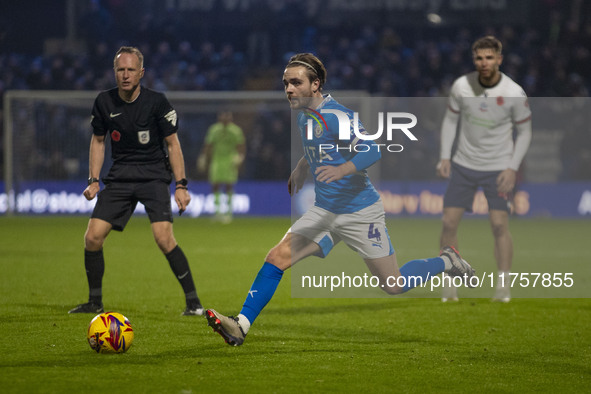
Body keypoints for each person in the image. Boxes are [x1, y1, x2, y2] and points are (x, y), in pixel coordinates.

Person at [205, 53, 476, 346]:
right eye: (286, 83)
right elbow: (317, 148)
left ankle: (447, 261)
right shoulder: (304, 115)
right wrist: (300, 168)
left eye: (296, 83)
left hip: (360, 211)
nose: (289, 89)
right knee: (277, 257)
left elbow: (372, 150)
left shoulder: (337, 116)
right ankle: (240, 325)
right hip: (325, 211)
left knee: (394, 284)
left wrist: (343, 168)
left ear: (316, 84)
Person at [69, 46, 203, 316]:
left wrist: (181, 185)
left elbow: (173, 144)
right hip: (120, 177)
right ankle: (95, 302)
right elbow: (97, 141)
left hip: (153, 176)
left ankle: (194, 304)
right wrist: (94, 180)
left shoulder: (157, 102)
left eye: (131, 70)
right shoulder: (104, 102)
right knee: (92, 238)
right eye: (121, 70)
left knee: (164, 238)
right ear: (114, 72)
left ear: (141, 73)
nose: (126, 75)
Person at [436, 36, 532, 303]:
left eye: (489, 57)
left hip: (498, 168)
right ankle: (450, 282)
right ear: (474, 59)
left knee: (499, 225)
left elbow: (524, 133)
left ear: (499, 59)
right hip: (464, 165)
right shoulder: (461, 87)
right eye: (479, 58)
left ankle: (503, 286)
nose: (484, 62)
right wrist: (445, 156)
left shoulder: (513, 92)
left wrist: (512, 168)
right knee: (448, 223)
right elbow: (450, 122)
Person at [197, 111, 246, 223]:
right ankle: (218, 212)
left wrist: (240, 157)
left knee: (229, 185)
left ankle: (228, 213)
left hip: (230, 160)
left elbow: (241, 145)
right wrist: (204, 157)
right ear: (219, 118)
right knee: (215, 185)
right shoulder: (214, 130)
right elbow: (208, 145)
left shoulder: (236, 131)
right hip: (217, 160)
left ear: (230, 118)